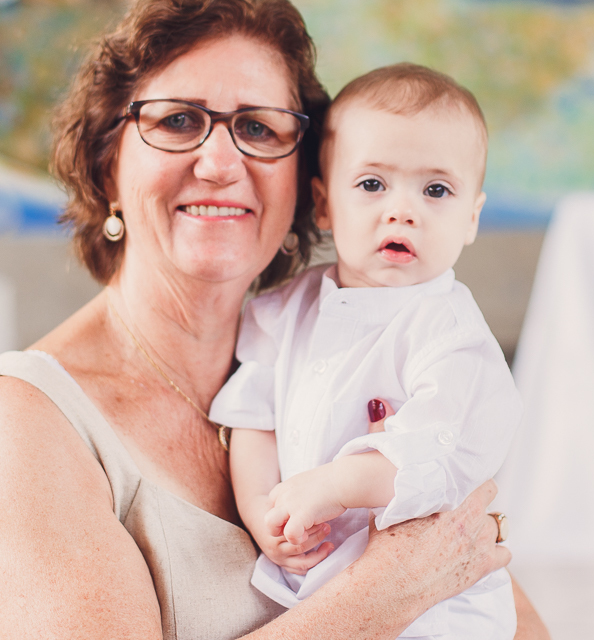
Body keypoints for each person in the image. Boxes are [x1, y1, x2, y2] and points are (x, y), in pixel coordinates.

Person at [0, 0, 550, 639]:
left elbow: (508, 616)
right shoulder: (23, 423)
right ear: (108, 162)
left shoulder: (351, 366)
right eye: (177, 120)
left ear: (303, 186)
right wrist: (374, 600)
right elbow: (408, 579)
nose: (221, 162)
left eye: (258, 128)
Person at [210, 63, 522, 639]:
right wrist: (261, 512)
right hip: (322, 592)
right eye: (372, 184)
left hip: (437, 608)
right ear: (325, 205)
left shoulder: (450, 332)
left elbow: (434, 452)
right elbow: (254, 419)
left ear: (471, 218)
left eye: (436, 190)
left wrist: (331, 485)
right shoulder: (283, 310)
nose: (402, 211)